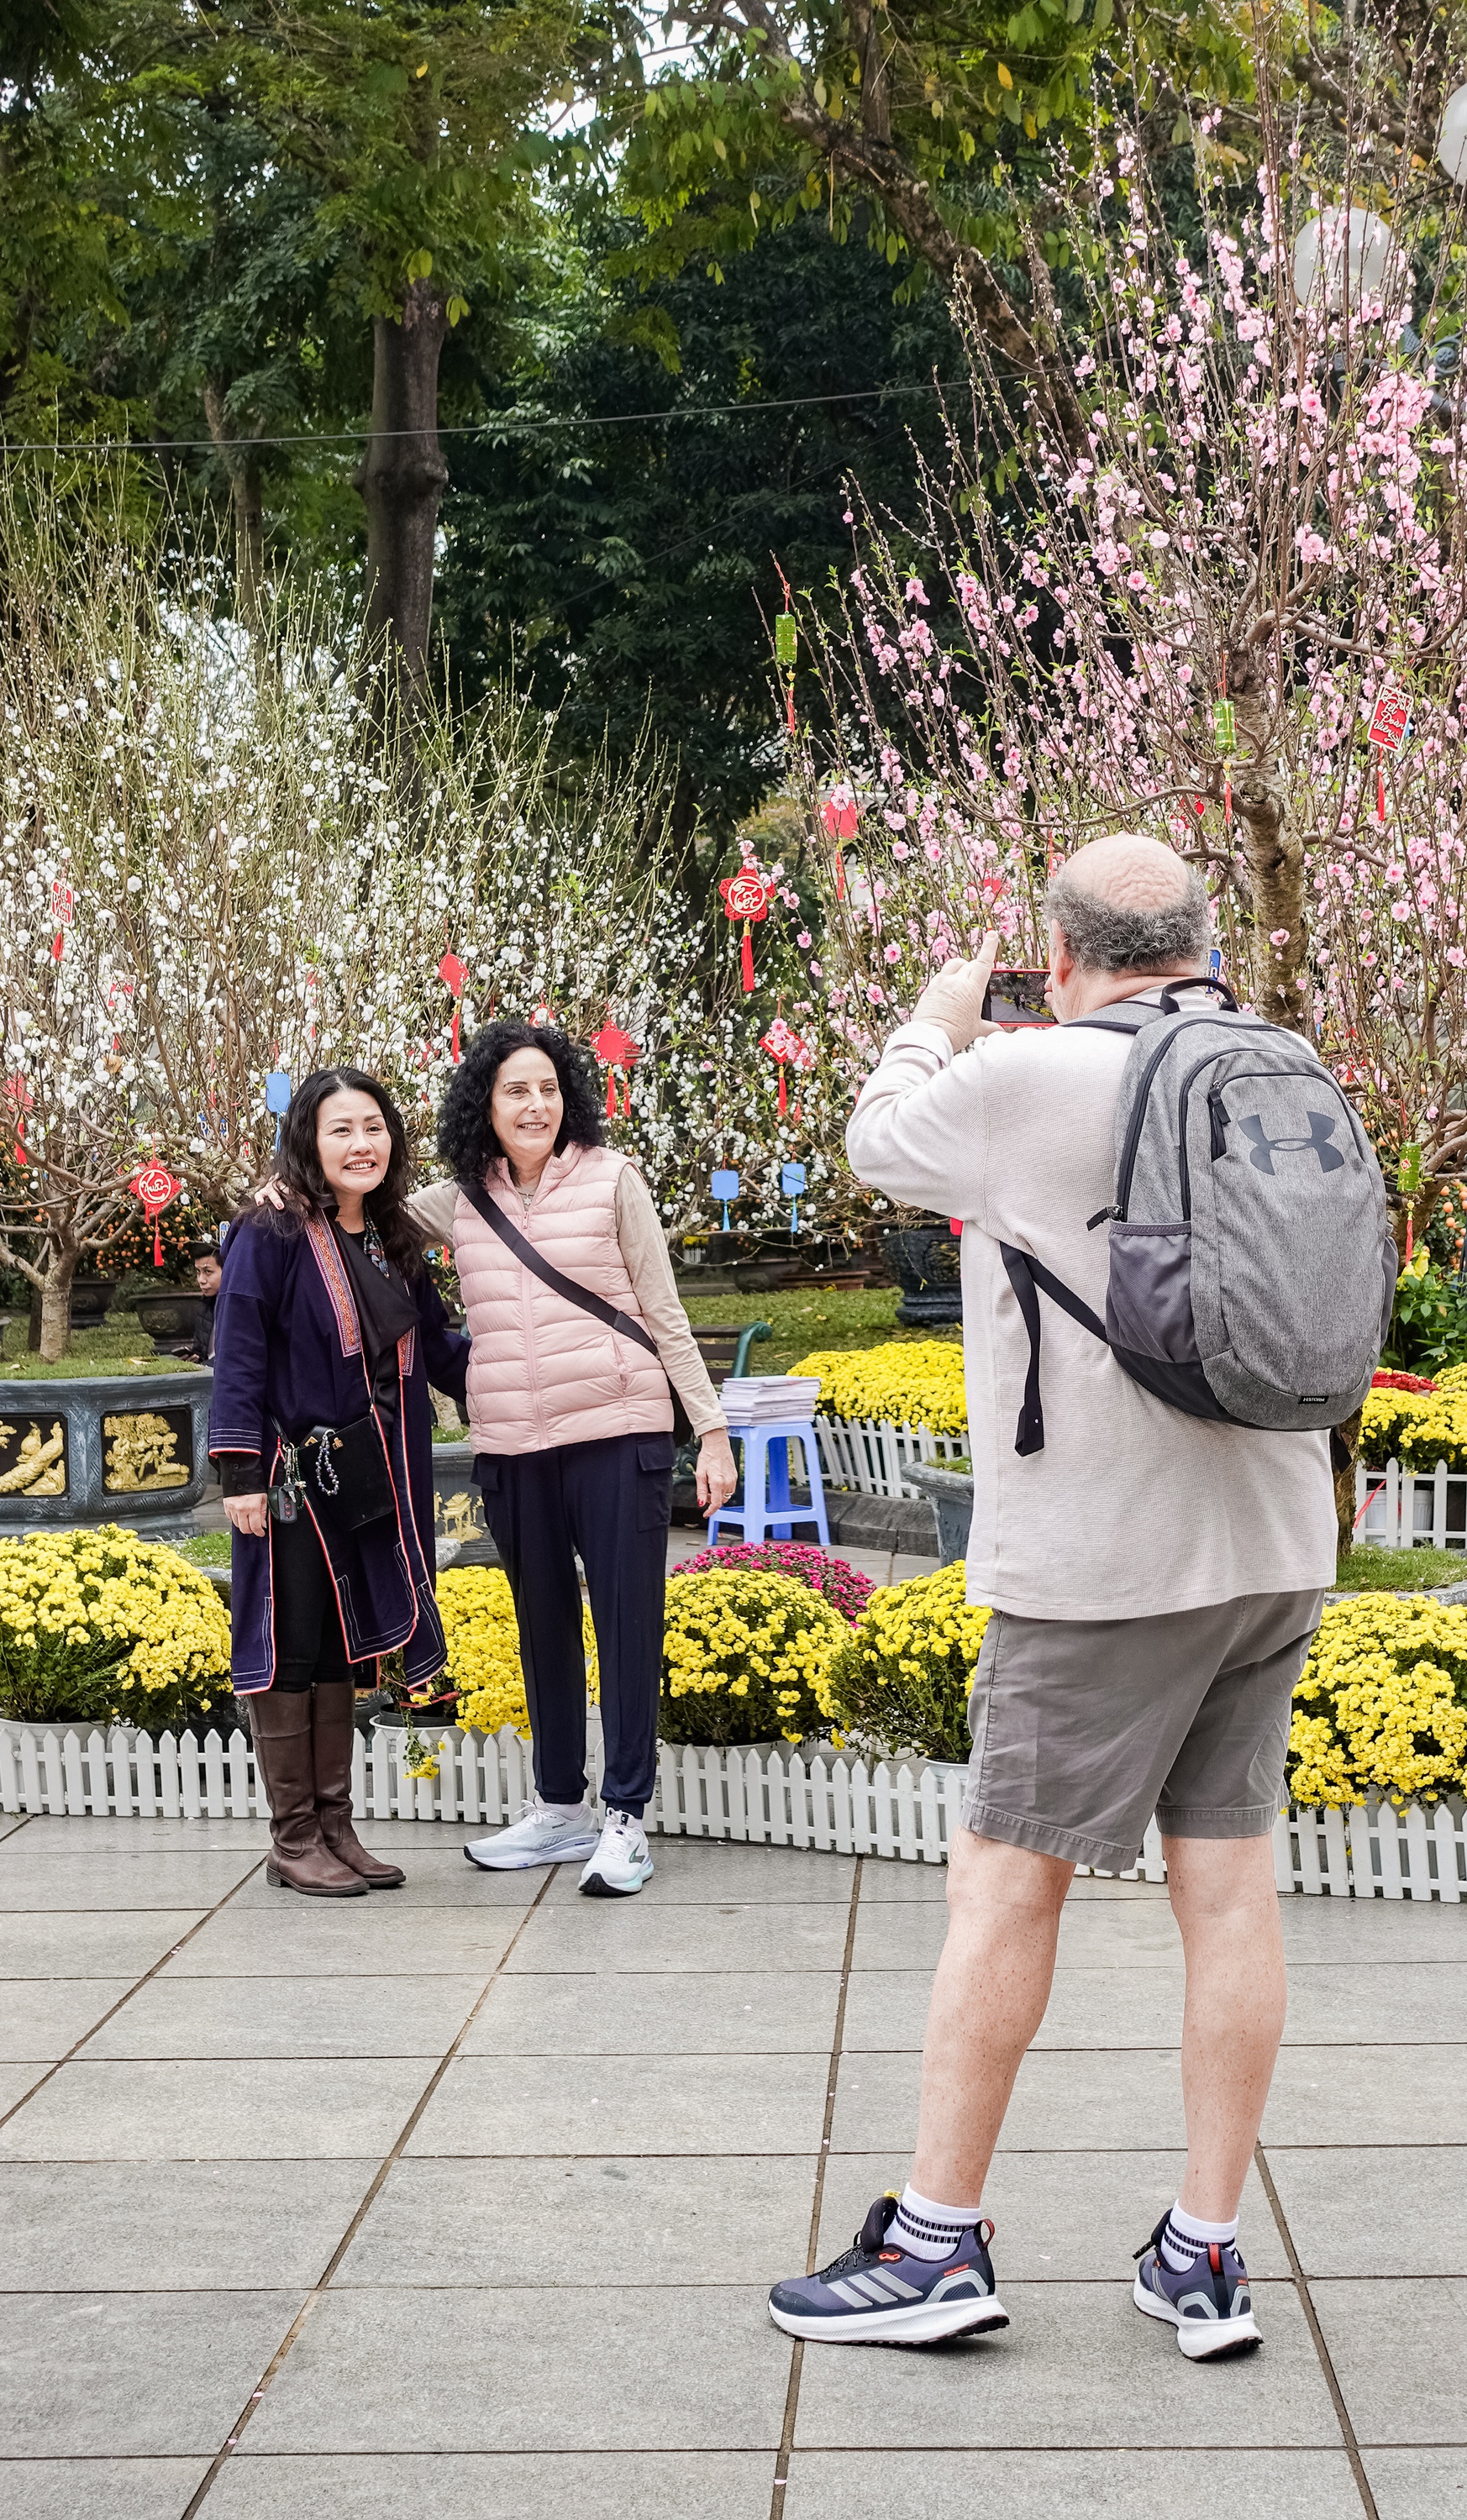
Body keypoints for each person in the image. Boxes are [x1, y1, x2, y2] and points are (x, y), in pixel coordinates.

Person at [768, 834, 1336, 2355]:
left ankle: (937, 2243)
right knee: (1229, 1891)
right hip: (1274, 1541)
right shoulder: (1277, 1060)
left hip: (1103, 1566)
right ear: (1204, 940)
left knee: (1005, 1880)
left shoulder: (1025, 1075)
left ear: (1063, 954)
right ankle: (1204, 2252)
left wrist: (942, 1009)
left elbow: (878, 1139)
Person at [411, 1019, 738, 1896]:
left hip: (618, 1434)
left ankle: (625, 1819)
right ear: (484, 1101)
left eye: (549, 1088)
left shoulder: (611, 1180)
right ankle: (558, 1809)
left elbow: (664, 1311)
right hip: (514, 1448)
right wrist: (285, 1196)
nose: (535, 1104)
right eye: (516, 1089)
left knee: (627, 1625)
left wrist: (708, 1431)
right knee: (542, 1626)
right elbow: (352, 1213)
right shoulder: (458, 1201)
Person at [210, 1070, 471, 1897]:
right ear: (308, 1142)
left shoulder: (393, 1237)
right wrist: (241, 1472)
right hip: (293, 1474)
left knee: (342, 1646)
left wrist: (535, 1371)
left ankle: (334, 1827)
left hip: (377, 1475)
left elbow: (436, 1345)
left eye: (373, 1127)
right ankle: (292, 1839)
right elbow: (241, 1351)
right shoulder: (272, 1232)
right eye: (340, 1130)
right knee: (292, 1644)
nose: (361, 1144)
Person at [178, 1240, 222, 1362]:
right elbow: (201, 1349)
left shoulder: (240, 1306)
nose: (201, 1280)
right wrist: (196, 1356)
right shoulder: (206, 1304)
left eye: (208, 1272)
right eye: (198, 1272)